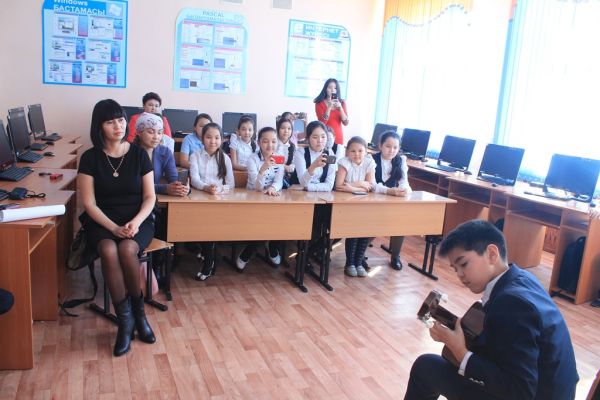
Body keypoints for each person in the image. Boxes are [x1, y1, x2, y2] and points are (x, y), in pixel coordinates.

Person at [405, 219, 579, 400]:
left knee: (425, 368)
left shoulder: (512, 303)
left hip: (532, 393)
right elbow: (508, 337)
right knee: (433, 366)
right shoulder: (520, 277)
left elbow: (520, 391)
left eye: (463, 264)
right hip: (553, 389)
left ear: (492, 254)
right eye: (455, 269)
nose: (460, 275)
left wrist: (460, 351)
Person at [78, 99, 157, 357]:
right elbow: (89, 203)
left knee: (126, 250)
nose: (118, 126)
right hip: (102, 220)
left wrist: (136, 222)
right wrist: (113, 228)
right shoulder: (90, 158)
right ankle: (125, 322)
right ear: (99, 126)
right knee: (109, 250)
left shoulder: (138, 154)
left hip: (137, 219)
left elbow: (150, 197)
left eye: (121, 120)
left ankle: (139, 315)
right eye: (110, 122)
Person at [189, 122, 235, 281]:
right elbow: (194, 179)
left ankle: (209, 261)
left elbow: (231, 184)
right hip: (199, 200)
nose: (213, 141)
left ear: (221, 140)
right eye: (209, 137)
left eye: (217, 138)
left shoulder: (225, 158)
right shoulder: (195, 155)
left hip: (218, 201)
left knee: (209, 229)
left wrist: (218, 189)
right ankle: (211, 255)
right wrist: (206, 187)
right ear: (202, 138)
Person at [236, 127, 284, 271]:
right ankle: (250, 249)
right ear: (258, 143)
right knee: (258, 223)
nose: (270, 145)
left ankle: (272, 246)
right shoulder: (253, 159)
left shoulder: (279, 158)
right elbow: (256, 186)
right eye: (265, 141)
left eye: (273, 141)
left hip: (272, 197)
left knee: (281, 219)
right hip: (254, 197)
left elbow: (279, 181)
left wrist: (273, 188)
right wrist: (263, 169)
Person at [335, 136, 375, 277]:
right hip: (346, 203)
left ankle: (359, 262)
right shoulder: (344, 162)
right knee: (353, 230)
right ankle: (350, 263)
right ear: (347, 152)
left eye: (360, 151)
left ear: (366, 152)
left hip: (364, 203)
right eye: (353, 151)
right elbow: (338, 186)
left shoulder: (369, 163)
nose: (357, 154)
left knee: (365, 230)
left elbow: (370, 187)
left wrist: (350, 187)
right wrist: (359, 184)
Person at [373, 130, 412, 270]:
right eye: (388, 146)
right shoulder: (371, 159)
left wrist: (404, 190)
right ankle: (360, 256)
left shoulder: (401, 160)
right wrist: (389, 191)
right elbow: (371, 185)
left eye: (395, 147)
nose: (392, 150)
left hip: (391, 201)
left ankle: (395, 256)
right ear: (380, 146)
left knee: (400, 221)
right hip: (372, 201)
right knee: (369, 224)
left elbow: (404, 182)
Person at [135, 112, 189, 197]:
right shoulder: (130, 152)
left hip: (152, 198)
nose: (156, 137)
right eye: (151, 132)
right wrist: (164, 189)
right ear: (139, 132)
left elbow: (174, 179)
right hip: (131, 198)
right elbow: (133, 185)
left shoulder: (165, 152)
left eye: (159, 132)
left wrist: (181, 188)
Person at [293, 120, 336, 192]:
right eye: (315, 137)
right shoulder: (300, 153)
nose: (320, 140)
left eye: (323, 136)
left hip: (321, 195)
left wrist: (308, 187)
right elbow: (303, 183)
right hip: (298, 194)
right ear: (308, 138)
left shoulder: (330, 153)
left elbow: (329, 186)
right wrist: (314, 166)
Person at [314, 78, 349, 145]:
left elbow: (346, 123)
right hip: (324, 138)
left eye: (335, 88)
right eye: (330, 87)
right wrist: (329, 107)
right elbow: (322, 123)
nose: (333, 90)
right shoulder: (319, 103)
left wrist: (340, 108)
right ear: (325, 89)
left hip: (338, 138)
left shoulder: (342, 103)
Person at [275, 117, 296, 188]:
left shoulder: (292, 146)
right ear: (278, 129)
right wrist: (285, 167)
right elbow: (271, 160)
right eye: (283, 128)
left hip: (287, 178)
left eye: (289, 129)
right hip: (273, 176)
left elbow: (294, 163)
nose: (286, 131)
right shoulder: (273, 143)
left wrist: (291, 167)